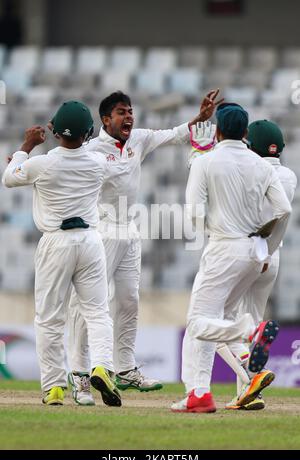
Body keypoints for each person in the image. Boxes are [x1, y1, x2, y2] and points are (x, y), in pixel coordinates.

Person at [67, 90, 223, 405]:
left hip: (129, 232)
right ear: (106, 119)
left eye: (130, 111)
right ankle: (79, 375)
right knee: (87, 307)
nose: (129, 117)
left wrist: (200, 118)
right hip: (101, 231)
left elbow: (177, 135)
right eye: (122, 112)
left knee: (128, 302)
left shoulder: (138, 139)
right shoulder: (91, 149)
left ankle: (124, 370)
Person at [171, 103, 292, 413]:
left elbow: (194, 213)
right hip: (254, 252)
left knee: (198, 321)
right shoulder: (262, 165)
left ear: (219, 131)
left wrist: (210, 224)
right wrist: (269, 244)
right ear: (246, 133)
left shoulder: (206, 162)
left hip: (224, 248)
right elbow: (284, 210)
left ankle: (244, 338)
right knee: (215, 318)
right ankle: (242, 374)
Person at [2, 101, 121, 407]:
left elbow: (10, 177)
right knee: (97, 312)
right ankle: (101, 367)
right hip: (90, 241)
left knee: (49, 318)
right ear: (88, 133)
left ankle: (54, 387)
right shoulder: (97, 163)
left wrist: (25, 148)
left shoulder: (42, 163)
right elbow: (99, 161)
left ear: (54, 132)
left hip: (56, 242)